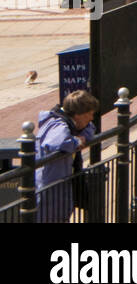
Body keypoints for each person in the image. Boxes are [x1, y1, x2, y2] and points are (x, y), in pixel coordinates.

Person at [36, 90, 99, 223]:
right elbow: (56, 143)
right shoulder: (57, 124)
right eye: (90, 114)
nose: (91, 118)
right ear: (78, 115)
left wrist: (78, 137)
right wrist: (76, 142)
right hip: (49, 190)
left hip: (61, 189)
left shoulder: (73, 125)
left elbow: (90, 129)